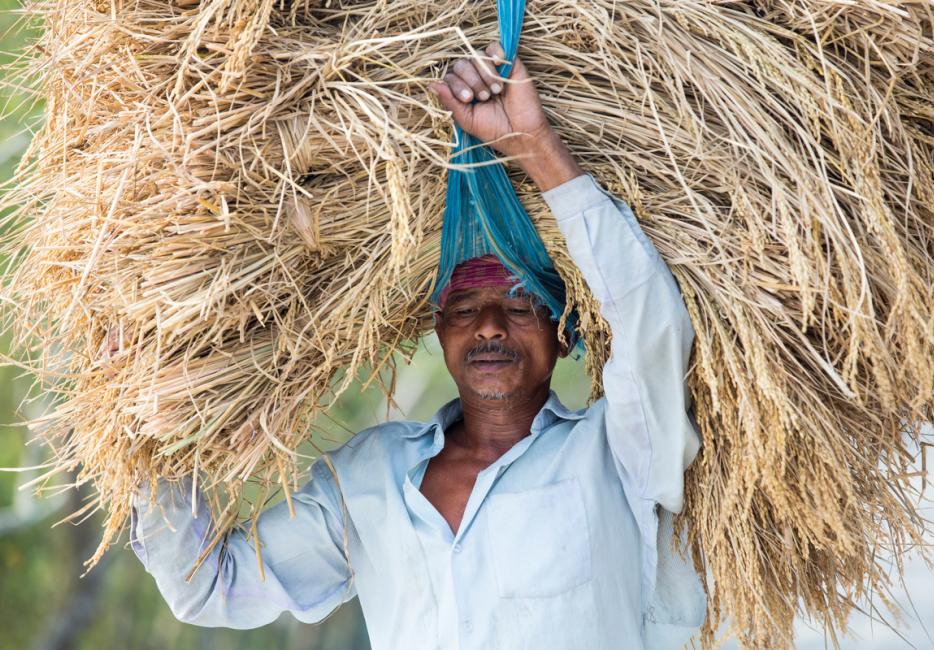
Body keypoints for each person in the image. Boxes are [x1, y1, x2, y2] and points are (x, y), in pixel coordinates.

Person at [131, 41, 705, 649]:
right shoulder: (372, 475)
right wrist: (145, 423)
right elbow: (210, 587)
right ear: (440, 331)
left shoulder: (616, 456)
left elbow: (649, 334)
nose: (489, 326)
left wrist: (536, 147)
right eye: (464, 308)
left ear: (563, 336)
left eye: (518, 306)